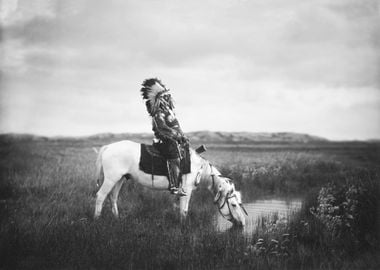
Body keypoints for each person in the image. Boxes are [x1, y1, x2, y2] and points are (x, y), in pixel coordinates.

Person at [140, 78, 188, 196]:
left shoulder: (169, 111)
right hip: (165, 141)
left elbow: (176, 125)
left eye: (168, 94)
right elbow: (162, 128)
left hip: (174, 139)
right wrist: (177, 136)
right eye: (165, 95)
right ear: (160, 99)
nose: (168, 97)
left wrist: (182, 136)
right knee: (175, 159)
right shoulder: (158, 113)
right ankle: (174, 186)